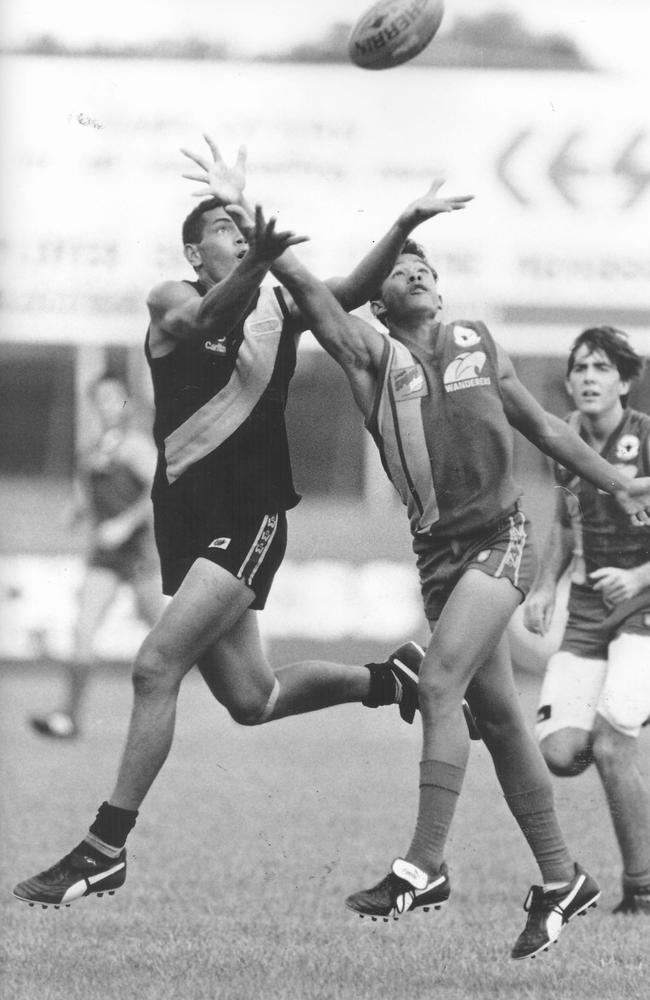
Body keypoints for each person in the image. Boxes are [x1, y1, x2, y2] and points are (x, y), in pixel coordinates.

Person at [12, 139, 474, 910]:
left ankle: (103, 849)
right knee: (251, 699)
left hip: (251, 514)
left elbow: (353, 289)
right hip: (184, 516)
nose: (236, 231)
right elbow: (204, 316)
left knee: (156, 664)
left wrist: (399, 224)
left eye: (241, 223)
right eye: (222, 227)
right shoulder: (170, 296)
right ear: (195, 250)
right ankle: (389, 678)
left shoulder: (279, 303)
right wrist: (257, 263)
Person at [264, 212, 650, 959]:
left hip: (502, 541)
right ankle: (564, 878)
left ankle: (425, 864)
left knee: (438, 685)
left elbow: (546, 428)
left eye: (425, 266)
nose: (417, 272)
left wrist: (617, 483)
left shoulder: (477, 340)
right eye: (400, 269)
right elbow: (316, 302)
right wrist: (280, 256)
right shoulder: (370, 357)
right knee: (502, 721)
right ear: (377, 302)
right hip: (439, 560)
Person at [523, 326, 650, 916]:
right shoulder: (565, 438)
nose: (589, 378)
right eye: (580, 368)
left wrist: (641, 577)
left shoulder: (646, 439)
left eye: (602, 368)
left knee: (611, 741)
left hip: (645, 606)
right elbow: (566, 523)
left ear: (625, 381)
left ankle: (642, 890)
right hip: (588, 611)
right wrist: (545, 585)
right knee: (561, 751)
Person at [29, 373, 165, 740]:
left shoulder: (135, 447)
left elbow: (161, 492)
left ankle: (228, 692)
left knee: (170, 639)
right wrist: (73, 512)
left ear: (127, 405)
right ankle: (68, 717)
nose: (108, 405)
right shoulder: (90, 451)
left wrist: (124, 522)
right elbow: (85, 498)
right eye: (101, 399)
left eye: (115, 398)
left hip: (140, 557)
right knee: (83, 629)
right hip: (105, 557)